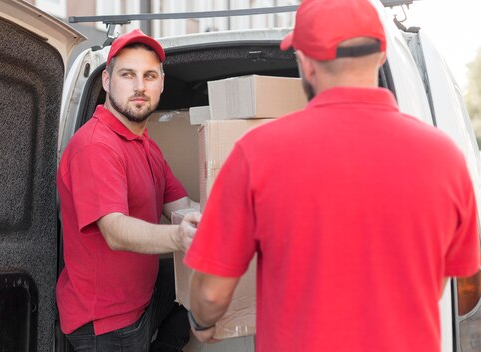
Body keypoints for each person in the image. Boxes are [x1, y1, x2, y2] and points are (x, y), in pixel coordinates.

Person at [184, 0, 480, 351]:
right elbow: (465, 283)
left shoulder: (256, 154)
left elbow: (213, 293)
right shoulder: (445, 156)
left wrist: (200, 322)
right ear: (381, 54)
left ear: (306, 64)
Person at [56, 29, 200, 351]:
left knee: (195, 279)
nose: (139, 86)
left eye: (149, 76)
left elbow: (183, 206)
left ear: (161, 84)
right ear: (107, 81)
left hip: (142, 293)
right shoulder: (96, 146)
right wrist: (180, 237)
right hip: (108, 321)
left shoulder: (144, 144)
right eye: (127, 75)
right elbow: (115, 230)